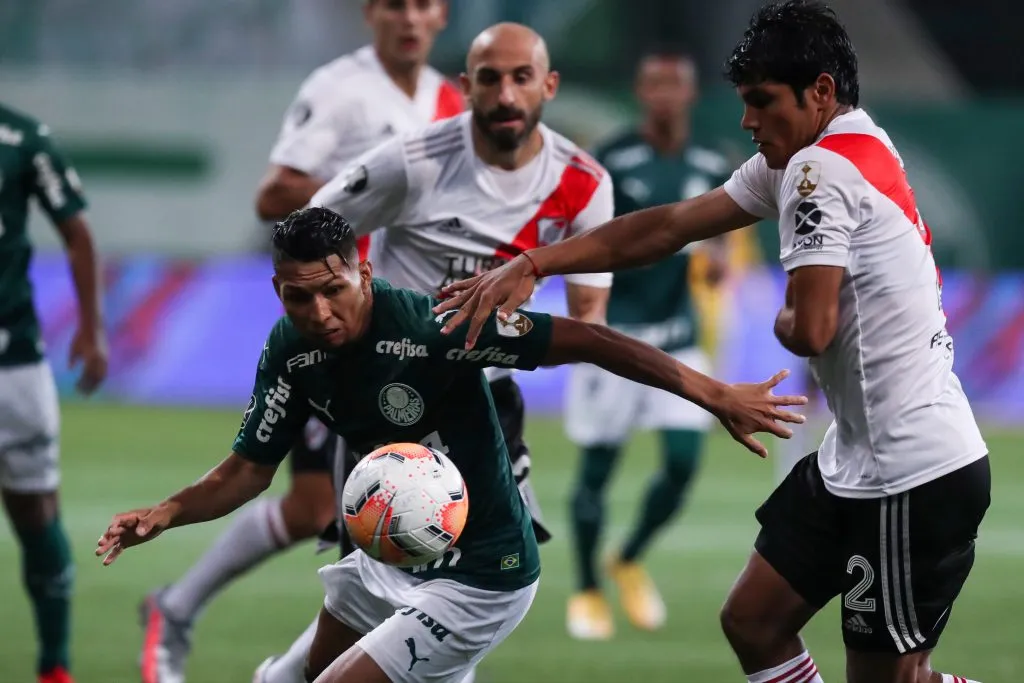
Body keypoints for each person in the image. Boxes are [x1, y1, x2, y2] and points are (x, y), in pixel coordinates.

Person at [435, 2, 991, 682]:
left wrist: (788, 320)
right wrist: (535, 262)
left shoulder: (821, 170)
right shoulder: (831, 148)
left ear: (820, 91)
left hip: (915, 471)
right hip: (856, 458)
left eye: (762, 102)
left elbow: (809, 327)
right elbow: (666, 227)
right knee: (754, 620)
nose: (747, 121)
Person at [95, 207, 806, 683]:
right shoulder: (290, 349)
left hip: (482, 575)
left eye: (332, 289)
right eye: (296, 296)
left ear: (363, 272)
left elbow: (587, 338)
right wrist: (166, 510)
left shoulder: (438, 327)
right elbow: (248, 470)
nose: (317, 312)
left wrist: (714, 393)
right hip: (387, 556)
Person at [262, 21, 614, 682]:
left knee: (453, 598)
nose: (506, 94)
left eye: (521, 78)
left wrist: (505, 318)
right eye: (490, 78)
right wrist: (345, 322)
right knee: (399, 609)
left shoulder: (584, 185)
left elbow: (586, 323)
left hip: (482, 404)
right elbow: (315, 231)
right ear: (467, 86)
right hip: (383, 400)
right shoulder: (414, 159)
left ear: (549, 86)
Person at [139, 2, 463, 681]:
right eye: (395, 4)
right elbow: (273, 194)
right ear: (372, 13)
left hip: (410, 332)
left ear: (443, 14)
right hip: (341, 326)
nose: (410, 18)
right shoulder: (339, 87)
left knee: (342, 509)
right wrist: (371, 186)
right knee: (368, 518)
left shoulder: (451, 99)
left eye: (424, 4)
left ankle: (188, 611)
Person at [563, 51, 733, 641]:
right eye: (654, 84)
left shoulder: (712, 160)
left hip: (679, 337)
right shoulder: (612, 159)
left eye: (675, 84)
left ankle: (627, 556)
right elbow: (586, 234)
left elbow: (718, 235)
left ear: (690, 93)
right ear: (640, 92)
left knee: (683, 466)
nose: (664, 95)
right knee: (597, 471)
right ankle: (586, 588)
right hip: (615, 338)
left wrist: (715, 262)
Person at [0, 103, 107, 683]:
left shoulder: (22, 138)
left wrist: (91, 331)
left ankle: (54, 666)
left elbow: (77, 232)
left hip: (12, 362)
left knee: (35, 511)